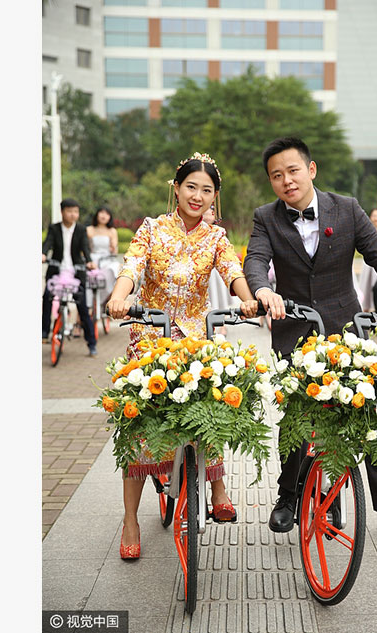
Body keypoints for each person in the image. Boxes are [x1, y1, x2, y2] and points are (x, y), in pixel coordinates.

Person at [243, 137, 377, 545]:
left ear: (311, 169)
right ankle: (287, 496)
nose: (286, 180)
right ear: (271, 181)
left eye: (293, 170)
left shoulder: (347, 208)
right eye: (277, 175)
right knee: (296, 416)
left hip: (347, 327)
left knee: (374, 413)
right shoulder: (265, 218)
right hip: (294, 330)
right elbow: (255, 260)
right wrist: (262, 291)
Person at [106, 152, 260, 560]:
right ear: (176, 188)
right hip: (150, 333)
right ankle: (130, 519)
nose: (197, 195)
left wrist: (247, 301)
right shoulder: (152, 229)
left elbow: (233, 271)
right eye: (191, 186)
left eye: (206, 190)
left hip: (194, 335)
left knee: (217, 395)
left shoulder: (216, 238)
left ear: (215, 198)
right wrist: (119, 298)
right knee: (139, 424)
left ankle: (217, 486)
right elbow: (132, 265)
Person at [42, 198, 98, 356]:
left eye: (76, 211)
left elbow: (85, 248)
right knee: (47, 296)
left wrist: (89, 261)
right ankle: (44, 332)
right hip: (56, 270)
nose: (73, 215)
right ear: (62, 212)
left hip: (76, 272)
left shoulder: (81, 229)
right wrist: (43, 254)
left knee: (82, 306)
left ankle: (91, 343)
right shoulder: (54, 228)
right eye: (69, 211)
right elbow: (48, 243)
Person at [86, 205, 122, 307]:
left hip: (107, 259)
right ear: (97, 214)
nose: (103, 216)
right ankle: (90, 305)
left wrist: (113, 248)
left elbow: (114, 251)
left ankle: (107, 298)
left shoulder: (112, 231)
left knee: (115, 269)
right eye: (101, 213)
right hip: (93, 259)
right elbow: (85, 248)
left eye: (107, 214)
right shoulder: (89, 230)